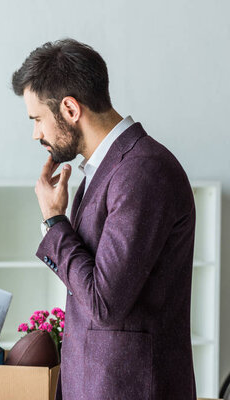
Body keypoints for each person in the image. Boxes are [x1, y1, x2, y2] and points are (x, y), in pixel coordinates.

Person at [11, 39, 197, 399]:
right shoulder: (106, 170)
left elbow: (104, 304)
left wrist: (53, 221)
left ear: (69, 109)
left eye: (37, 119)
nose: (36, 133)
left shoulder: (143, 171)